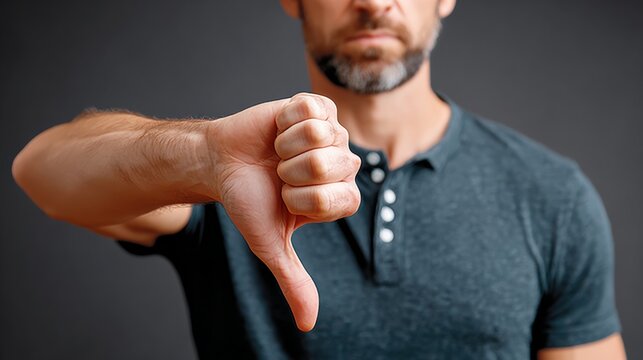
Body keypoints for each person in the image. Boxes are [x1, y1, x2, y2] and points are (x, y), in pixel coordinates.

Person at [12, 0, 626, 359]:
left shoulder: (552, 197)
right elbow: (42, 173)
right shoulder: (227, 174)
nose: (373, 0)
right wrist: (202, 158)